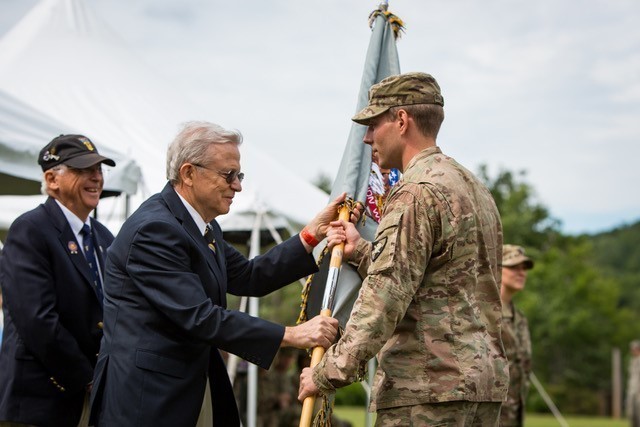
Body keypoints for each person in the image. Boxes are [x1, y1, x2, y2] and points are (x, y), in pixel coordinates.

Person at [89, 121, 354, 427]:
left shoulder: (203, 226)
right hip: (146, 400)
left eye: (239, 175)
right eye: (228, 175)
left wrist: (311, 234)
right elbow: (200, 317)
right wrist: (292, 335)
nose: (238, 185)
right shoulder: (155, 229)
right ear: (189, 173)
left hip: (186, 390)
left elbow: (250, 275)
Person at [298, 72, 509, 426]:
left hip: (426, 389)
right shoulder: (473, 188)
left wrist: (326, 372)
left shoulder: (415, 193)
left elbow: (385, 297)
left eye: (373, 124)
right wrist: (362, 251)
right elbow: (438, 275)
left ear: (401, 120)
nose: (366, 138)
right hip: (481, 386)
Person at [0, 135, 116, 427]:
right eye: (83, 170)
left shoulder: (103, 237)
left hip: (93, 396)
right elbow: (37, 320)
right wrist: (86, 376)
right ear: (52, 179)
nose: (96, 177)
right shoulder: (30, 229)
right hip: (41, 401)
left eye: (99, 170)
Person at [500, 244, 534, 427]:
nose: (521, 273)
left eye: (524, 268)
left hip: (514, 416)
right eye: (513, 267)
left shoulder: (520, 318)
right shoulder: (484, 314)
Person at [627, 340, 640, 427]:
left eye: (634, 349)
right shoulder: (633, 361)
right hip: (632, 391)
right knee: (632, 414)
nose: (632, 351)